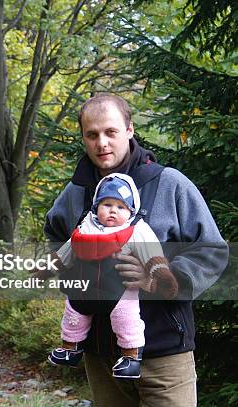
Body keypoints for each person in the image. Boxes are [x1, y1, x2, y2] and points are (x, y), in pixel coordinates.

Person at [44, 94, 228, 406]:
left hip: (165, 352)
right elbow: (54, 238)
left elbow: (211, 250)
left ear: (129, 130)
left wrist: (162, 278)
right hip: (102, 356)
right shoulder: (77, 193)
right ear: (84, 138)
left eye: (111, 132)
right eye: (92, 134)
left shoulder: (170, 184)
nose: (102, 143)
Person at [48, 173, 178, 380]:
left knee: (126, 320)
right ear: (96, 206)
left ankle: (131, 357)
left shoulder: (136, 230)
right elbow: (67, 251)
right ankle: (70, 349)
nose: (112, 211)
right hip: (85, 290)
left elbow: (152, 254)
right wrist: (47, 268)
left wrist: (162, 277)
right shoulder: (85, 227)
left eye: (120, 207)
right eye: (107, 204)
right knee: (73, 315)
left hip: (119, 289)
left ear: (130, 211)